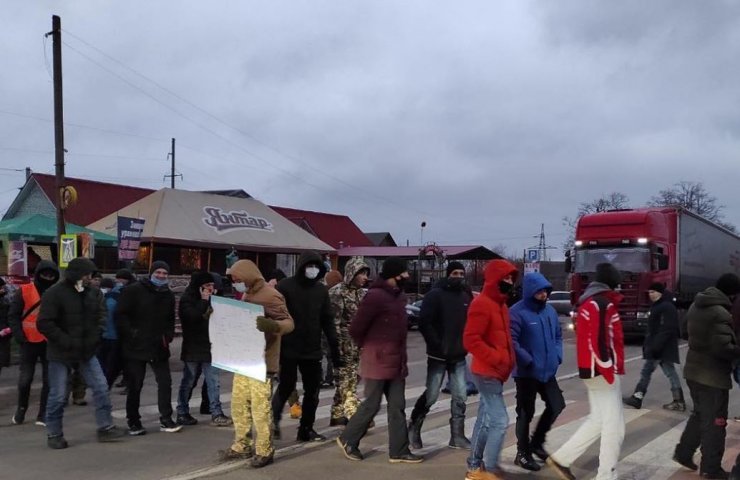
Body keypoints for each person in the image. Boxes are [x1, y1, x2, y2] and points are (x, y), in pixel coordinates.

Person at [336, 258, 423, 464]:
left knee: (397, 407)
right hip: (377, 360)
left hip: (396, 360)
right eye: (403, 273)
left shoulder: (398, 297)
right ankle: (348, 439)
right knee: (371, 404)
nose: (407, 277)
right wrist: (372, 347)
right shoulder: (375, 297)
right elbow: (356, 328)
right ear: (393, 274)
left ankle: (399, 450)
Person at [546, 263, 625, 480]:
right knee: (614, 428)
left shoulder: (590, 302)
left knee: (598, 420)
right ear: (612, 282)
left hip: (591, 370)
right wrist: (608, 368)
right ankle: (606, 475)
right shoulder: (602, 304)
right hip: (601, 372)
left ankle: (562, 458)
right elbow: (599, 340)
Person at [36, 257, 125, 448]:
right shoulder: (55, 293)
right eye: (86, 274)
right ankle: (54, 433)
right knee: (58, 395)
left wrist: (95, 338)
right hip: (60, 352)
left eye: (91, 275)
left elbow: (101, 316)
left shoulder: (92, 293)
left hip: (87, 350)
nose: (89, 278)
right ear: (76, 274)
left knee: (101, 387)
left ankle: (105, 428)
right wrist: (67, 341)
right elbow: (44, 323)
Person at [221, 260, 294, 468]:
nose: (235, 283)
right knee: (239, 405)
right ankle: (241, 444)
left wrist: (273, 325)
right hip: (243, 359)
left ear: (248, 276)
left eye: (237, 279)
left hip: (262, 361)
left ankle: (264, 449)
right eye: (233, 280)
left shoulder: (271, 295)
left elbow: (289, 322)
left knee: (260, 409)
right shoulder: (247, 295)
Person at [673, 273, 740, 479]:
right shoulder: (720, 312)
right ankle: (711, 468)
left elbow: (683, 331)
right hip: (712, 375)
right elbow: (724, 348)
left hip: (693, 370)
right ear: (731, 293)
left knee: (701, 414)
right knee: (716, 422)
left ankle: (684, 453)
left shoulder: (696, 305)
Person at [272, 252, 341, 442]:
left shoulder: (320, 291)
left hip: (311, 349)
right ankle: (273, 420)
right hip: (288, 347)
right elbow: (275, 313)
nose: (313, 269)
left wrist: (335, 350)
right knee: (286, 386)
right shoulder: (285, 286)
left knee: (313, 390)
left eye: (316, 266)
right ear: (301, 266)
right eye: (309, 266)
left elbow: (327, 320)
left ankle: (306, 428)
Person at [462, 259, 518, 480]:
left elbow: (504, 337)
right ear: (495, 279)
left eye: (511, 278)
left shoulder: (501, 305)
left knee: (486, 421)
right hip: (486, 371)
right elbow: (470, 340)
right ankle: (491, 469)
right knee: (500, 420)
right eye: (505, 278)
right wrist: (497, 358)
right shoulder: (482, 304)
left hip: (496, 371)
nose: (509, 282)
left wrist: (507, 360)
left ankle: (474, 467)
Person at [409, 261, 473, 451]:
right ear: (448, 274)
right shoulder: (435, 295)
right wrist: (436, 344)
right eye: (455, 273)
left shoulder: (465, 295)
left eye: (461, 273)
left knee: (461, 395)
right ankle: (414, 426)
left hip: (459, 354)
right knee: (432, 394)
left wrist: (467, 344)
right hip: (438, 355)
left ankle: (457, 435)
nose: (459, 276)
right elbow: (425, 323)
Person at [115, 260, 182, 435]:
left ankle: (166, 419)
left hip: (158, 346)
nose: (161, 276)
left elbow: (169, 318)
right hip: (136, 346)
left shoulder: (167, 294)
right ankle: (134, 421)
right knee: (135, 384)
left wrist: (167, 335)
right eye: (158, 272)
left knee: (165, 382)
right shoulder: (134, 290)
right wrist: (131, 333)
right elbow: (121, 315)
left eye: (165, 273)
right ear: (152, 273)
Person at [509, 272, 565, 471]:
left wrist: (558, 355)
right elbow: (512, 341)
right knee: (525, 413)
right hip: (527, 372)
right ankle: (522, 453)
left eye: (546, 291)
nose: (544, 295)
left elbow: (558, 336)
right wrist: (527, 359)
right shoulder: (516, 312)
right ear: (530, 292)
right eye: (540, 291)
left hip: (548, 370)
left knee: (557, 404)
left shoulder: (549, 311)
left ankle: (537, 443)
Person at [176, 271, 232, 427]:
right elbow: (192, 318)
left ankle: (216, 412)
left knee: (213, 381)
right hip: (193, 347)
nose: (210, 289)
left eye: (212, 286)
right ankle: (182, 411)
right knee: (189, 381)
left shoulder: (215, 300)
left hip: (210, 346)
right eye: (207, 286)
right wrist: (203, 301)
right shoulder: (188, 299)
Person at [8, 260, 59, 426]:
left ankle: (42, 413)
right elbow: (13, 315)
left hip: (49, 341)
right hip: (28, 341)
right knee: (25, 380)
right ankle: (21, 408)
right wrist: (19, 336)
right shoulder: (24, 290)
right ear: (38, 274)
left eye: (52, 275)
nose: (48, 278)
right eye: (45, 274)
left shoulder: (56, 292)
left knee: (49, 380)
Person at [623, 282, 685, 411]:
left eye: (653, 292)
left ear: (660, 293)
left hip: (659, 347)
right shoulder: (659, 306)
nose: (651, 295)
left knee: (647, 372)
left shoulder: (666, 307)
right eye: (649, 292)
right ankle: (678, 401)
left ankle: (638, 397)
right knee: (670, 373)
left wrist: (655, 346)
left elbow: (667, 329)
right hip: (660, 346)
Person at [328, 257, 369, 426]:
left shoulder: (362, 293)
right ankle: (356, 417)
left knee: (351, 379)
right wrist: (335, 349)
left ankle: (337, 413)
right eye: (362, 273)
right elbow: (333, 323)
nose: (365, 277)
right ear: (352, 273)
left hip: (358, 346)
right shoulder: (337, 292)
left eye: (366, 273)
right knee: (347, 382)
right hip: (343, 346)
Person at [268, 269, 302, 420]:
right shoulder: (269, 297)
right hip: (273, 345)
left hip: (283, 344)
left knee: (286, 378)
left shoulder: (281, 297)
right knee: (280, 378)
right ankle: (287, 406)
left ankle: (292, 405)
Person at [96, 277, 125, 389]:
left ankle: (105, 385)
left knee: (108, 364)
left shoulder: (112, 299)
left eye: (105, 287)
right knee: (105, 363)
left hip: (111, 336)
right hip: (107, 336)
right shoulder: (107, 297)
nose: (103, 289)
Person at [320, 269, 343, 389]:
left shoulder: (328, 293)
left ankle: (322, 378)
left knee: (322, 354)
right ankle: (331, 378)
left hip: (326, 328)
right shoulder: (344, 292)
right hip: (338, 329)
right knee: (333, 354)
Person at [0, 278, 11, 377]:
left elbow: (9, 317)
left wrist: (8, 329)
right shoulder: (5, 301)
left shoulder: (5, 301)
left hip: (3, 336)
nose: (3, 289)